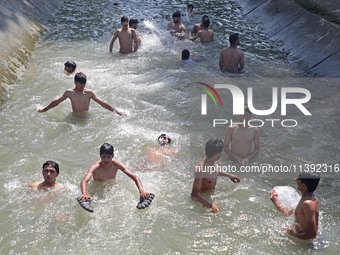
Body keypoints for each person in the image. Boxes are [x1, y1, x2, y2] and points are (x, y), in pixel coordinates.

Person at [79, 143, 150, 202]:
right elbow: (84, 180)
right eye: (103, 157)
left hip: (110, 186)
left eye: (108, 157)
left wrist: (141, 190)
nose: (106, 159)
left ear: (112, 156)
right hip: (96, 187)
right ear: (100, 155)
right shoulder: (96, 167)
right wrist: (85, 193)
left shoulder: (116, 165)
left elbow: (134, 177)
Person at [37, 72, 124, 115]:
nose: (82, 85)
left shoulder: (89, 93)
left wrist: (116, 111)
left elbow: (102, 103)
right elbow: (57, 102)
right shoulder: (69, 93)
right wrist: (45, 109)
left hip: (85, 118)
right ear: (75, 82)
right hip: (73, 117)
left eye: (84, 83)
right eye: (80, 83)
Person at [191, 138, 240, 213]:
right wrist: (210, 206)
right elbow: (194, 195)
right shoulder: (201, 170)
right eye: (220, 152)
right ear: (216, 154)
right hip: (203, 200)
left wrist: (230, 175)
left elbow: (215, 171)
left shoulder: (211, 162)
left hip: (210, 196)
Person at [270, 172, 320, 240]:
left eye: (298, 180)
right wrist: (274, 200)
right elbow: (288, 213)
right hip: (304, 240)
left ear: (303, 186)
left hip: (305, 245)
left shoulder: (308, 203)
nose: (295, 180)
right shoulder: (308, 199)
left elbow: (312, 234)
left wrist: (293, 235)